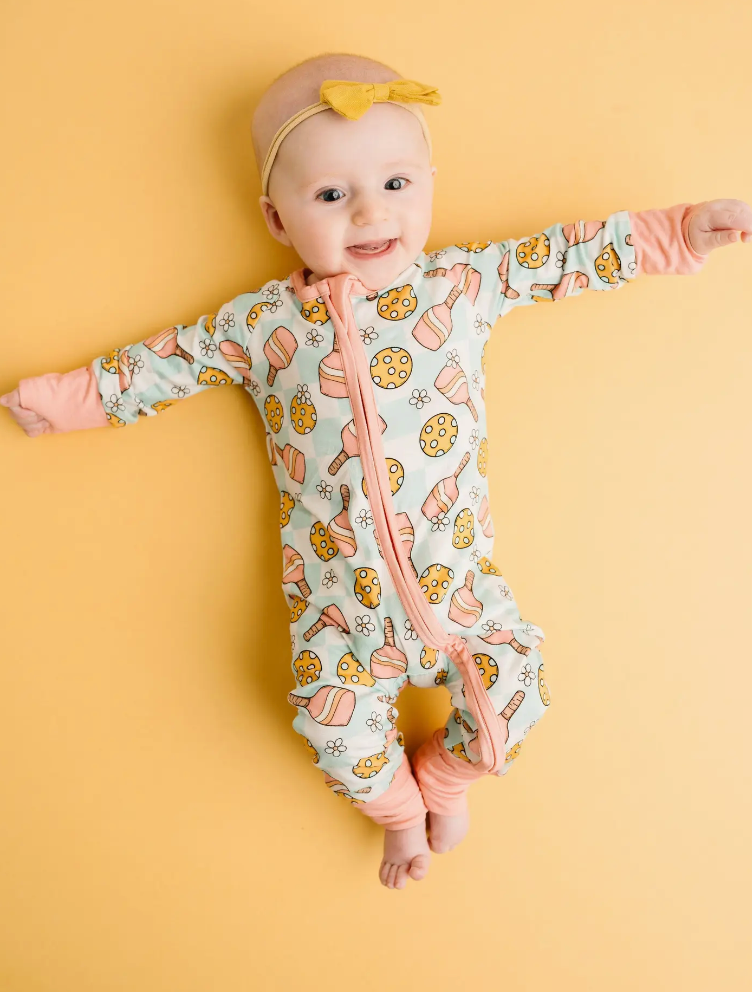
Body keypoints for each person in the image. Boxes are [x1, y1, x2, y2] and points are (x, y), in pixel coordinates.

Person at [2, 51, 751, 891]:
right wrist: (62, 400)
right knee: (335, 736)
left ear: (429, 182)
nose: (370, 212)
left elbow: (566, 256)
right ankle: (399, 811)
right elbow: (167, 363)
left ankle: (445, 778)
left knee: (521, 690)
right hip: (337, 613)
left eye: (396, 183)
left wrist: (677, 233)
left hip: (462, 594)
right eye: (331, 195)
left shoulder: (461, 285)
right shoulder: (264, 326)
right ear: (279, 219)